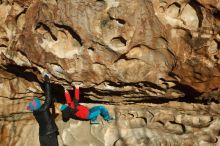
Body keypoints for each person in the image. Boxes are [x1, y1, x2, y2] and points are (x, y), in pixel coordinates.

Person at [27, 74, 59, 146]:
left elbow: (48, 105)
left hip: (42, 136)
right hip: (49, 134)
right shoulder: (43, 109)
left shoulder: (35, 113)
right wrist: (47, 82)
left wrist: (52, 102)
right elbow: (48, 97)